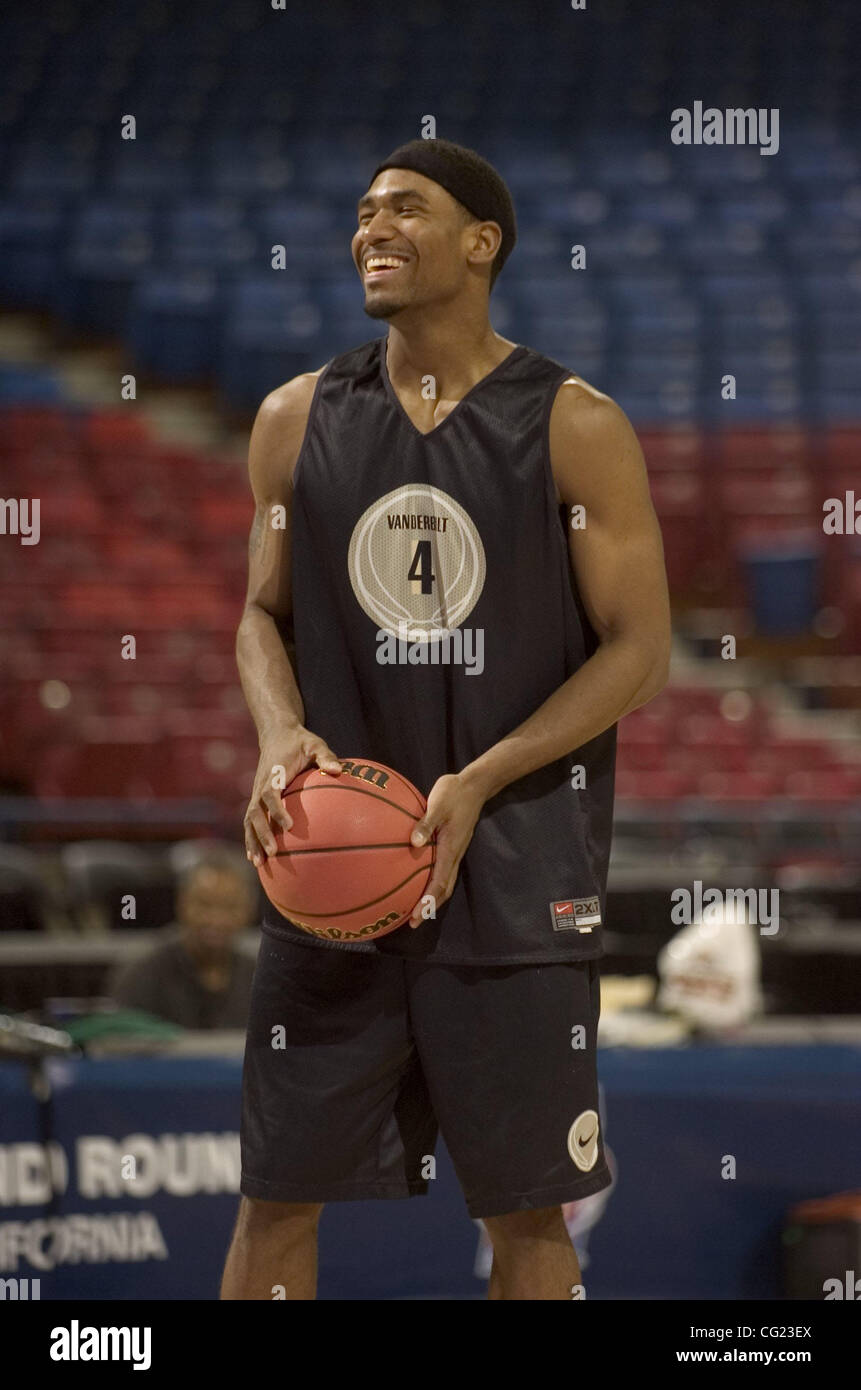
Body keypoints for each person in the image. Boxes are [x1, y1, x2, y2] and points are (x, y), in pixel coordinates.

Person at [221, 138, 671, 1300]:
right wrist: (279, 736)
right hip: (332, 876)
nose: (372, 227)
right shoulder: (292, 419)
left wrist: (482, 776)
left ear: (482, 243)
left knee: (528, 1217)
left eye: (405, 209)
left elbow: (640, 650)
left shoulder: (573, 423)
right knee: (275, 1196)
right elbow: (258, 617)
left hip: (517, 885)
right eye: (363, 210)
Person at [107, 847, 257, 1030]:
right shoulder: (141, 975)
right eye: (204, 904)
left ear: (249, 910)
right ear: (182, 903)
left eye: (230, 907)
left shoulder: (259, 979)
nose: (216, 919)